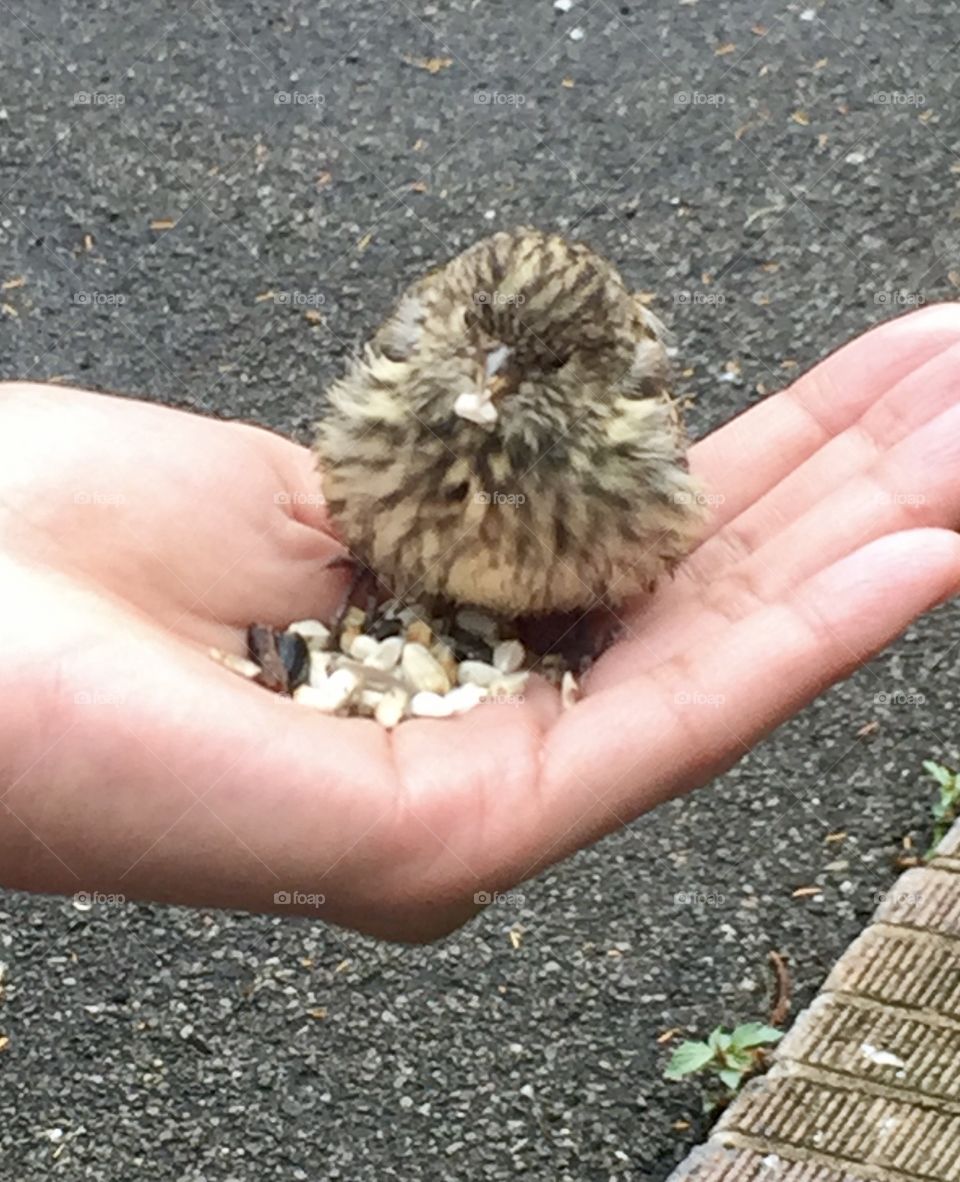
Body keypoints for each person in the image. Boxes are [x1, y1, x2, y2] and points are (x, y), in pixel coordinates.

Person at [1, 304, 959, 942]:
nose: (491, 383)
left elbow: (654, 504)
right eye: (475, 358)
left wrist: (587, 612)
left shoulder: (620, 439)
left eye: (534, 371)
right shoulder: (395, 402)